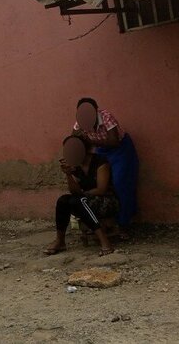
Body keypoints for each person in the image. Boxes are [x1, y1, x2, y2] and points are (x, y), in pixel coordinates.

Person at [73, 97, 139, 237]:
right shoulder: (80, 122)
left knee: (120, 183)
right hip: (101, 150)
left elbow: (114, 141)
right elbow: (74, 140)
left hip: (120, 149)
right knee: (99, 183)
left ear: (96, 110)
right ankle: (102, 224)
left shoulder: (106, 117)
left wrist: (90, 140)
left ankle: (123, 224)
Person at [45, 135, 120, 257]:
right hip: (85, 201)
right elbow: (75, 191)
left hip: (107, 200)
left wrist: (82, 195)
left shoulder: (100, 162)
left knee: (79, 201)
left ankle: (104, 241)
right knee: (63, 200)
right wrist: (68, 175)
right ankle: (60, 240)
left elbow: (101, 189)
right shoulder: (76, 166)